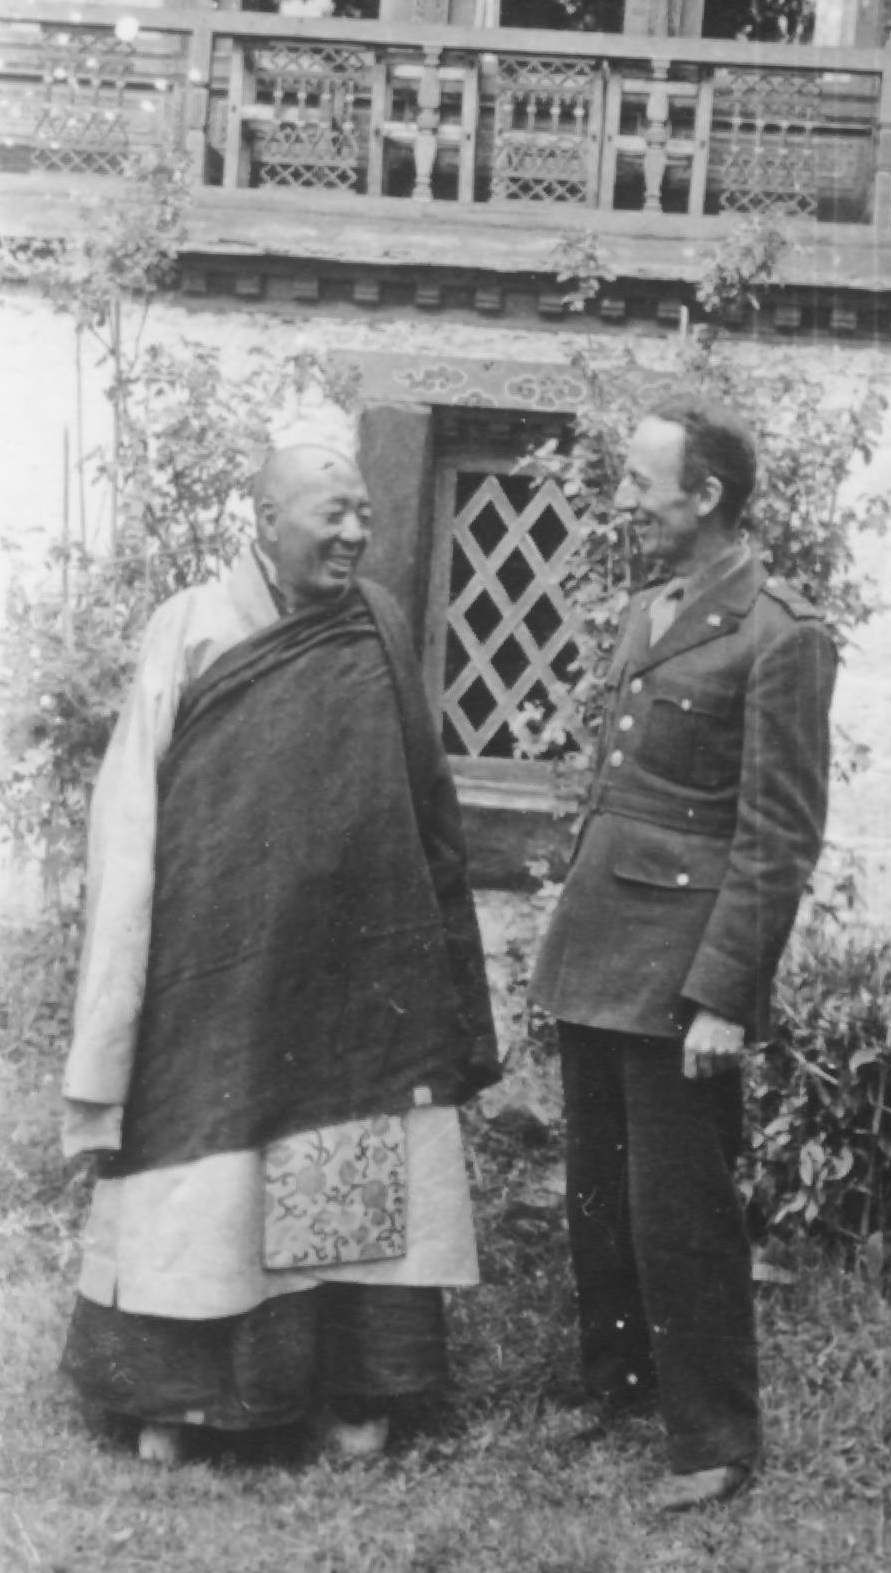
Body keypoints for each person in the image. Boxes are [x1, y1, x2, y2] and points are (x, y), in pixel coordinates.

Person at [60, 440, 500, 1465]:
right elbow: (129, 815)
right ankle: (179, 1398)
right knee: (206, 1171)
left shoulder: (380, 626)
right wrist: (124, 982)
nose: (353, 533)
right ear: (264, 518)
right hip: (214, 973)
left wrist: (439, 954)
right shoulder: (193, 628)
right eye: (329, 515)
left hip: (355, 976)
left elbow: (426, 801)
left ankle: (354, 1388)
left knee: (348, 1165)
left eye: (362, 515)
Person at [529, 396, 838, 1512]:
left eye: (641, 485)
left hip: (681, 966)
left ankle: (712, 1438)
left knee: (682, 1206)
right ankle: (616, 1382)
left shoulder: (780, 632)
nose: (621, 503)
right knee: (600, 1192)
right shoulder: (646, 610)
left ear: (706, 497)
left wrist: (723, 995)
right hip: (602, 943)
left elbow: (777, 834)